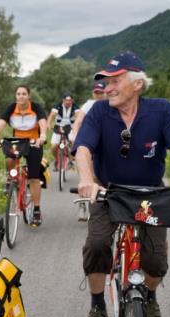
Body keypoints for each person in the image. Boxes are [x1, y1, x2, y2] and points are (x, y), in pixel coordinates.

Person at [72, 51, 170, 317]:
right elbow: (83, 148)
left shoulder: (163, 111)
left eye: (114, 80)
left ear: (137, 84)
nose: (107, 87)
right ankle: (97, 306)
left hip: (151, 194)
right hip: (109, 191)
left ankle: (150, 296)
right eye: (104, 82)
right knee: (96, 244)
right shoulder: (99, 112)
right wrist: (86, 180)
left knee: (156, 261)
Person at [0, 84, 48, 226]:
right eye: (18, 94)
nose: (20, 96)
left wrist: (43, 135)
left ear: (29, 96)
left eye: (23, 94)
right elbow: (2, 122)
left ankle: (36, 209)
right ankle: (11, 179)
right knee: (9, 159)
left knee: (34, 177)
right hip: (18, 142)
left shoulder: (36, 107)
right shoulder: (12, 108)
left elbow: (43, 122)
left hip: (34, 142)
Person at [72, 82, 106, 221]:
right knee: (88, 173)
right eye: (96, 92)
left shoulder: (113, 103)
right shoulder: (89, 104)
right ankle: (83, 203)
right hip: (90, 141)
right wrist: (75, 136)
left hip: (106, 142)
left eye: (101, 92)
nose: (98, 95)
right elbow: (79, 121)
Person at [47, 93, 80, 171]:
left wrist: (78, 126)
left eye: (70, 100)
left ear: (72, 100)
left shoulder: (75, 107)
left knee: (73, 142)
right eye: (66, 100)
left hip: (71, 128)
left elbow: (78, 116)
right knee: (54, 146)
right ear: (63, 100)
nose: (68, 102)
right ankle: (57, 160)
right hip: (59, 127)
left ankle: (71, 161)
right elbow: (52, 115)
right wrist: (48, 124)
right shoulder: (57, 106)